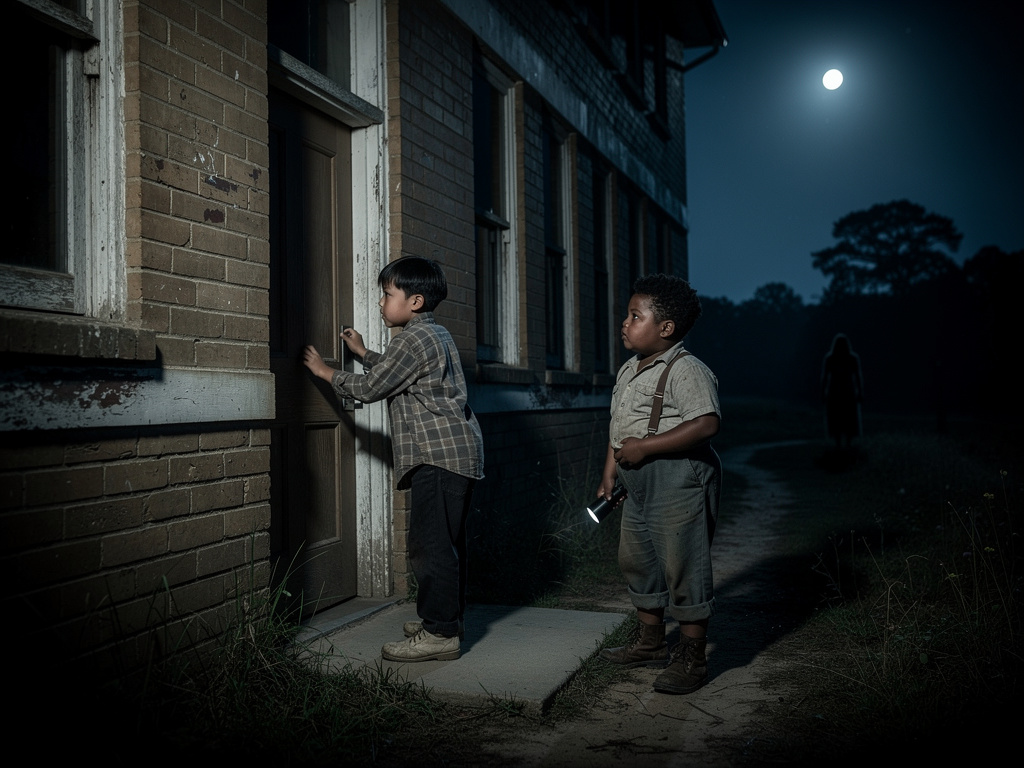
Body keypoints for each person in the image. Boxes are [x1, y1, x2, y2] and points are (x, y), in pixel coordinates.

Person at [302, 256, 484, 663]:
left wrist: (325, 372)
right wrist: (364, 351)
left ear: (415, 301)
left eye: (387, 295)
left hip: (437, 457)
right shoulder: (432, 335)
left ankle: (439, 634)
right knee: (448, 545)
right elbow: (398, 371)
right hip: (458, 454)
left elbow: (371, 388)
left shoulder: (412, 339)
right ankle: (447, 622)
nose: (382, 303)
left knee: (429, 546)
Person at [595, 273, 722, 695]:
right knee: (638, 558)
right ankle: (650, 642)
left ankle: (692, 656)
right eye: (627, 315)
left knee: (682, 562)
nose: (625, 323)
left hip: (677, 477)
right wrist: (609, 473)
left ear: (665, 328)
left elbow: (706, 423)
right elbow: (618, 429)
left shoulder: (687, 370)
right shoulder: (629, 369)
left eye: (635, 316)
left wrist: (647, 448)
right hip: (636, 480)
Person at [820, 333, 863, 449]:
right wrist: (860, 392)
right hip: (847, 392)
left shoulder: (830, 358)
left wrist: (823, 392)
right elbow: (858, 377)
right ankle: (847, 444)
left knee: (837, 418)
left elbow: (824, 378)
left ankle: (839, 444)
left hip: (835, 392)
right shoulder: (852, 358)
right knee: (847, 418)